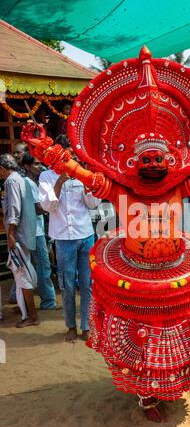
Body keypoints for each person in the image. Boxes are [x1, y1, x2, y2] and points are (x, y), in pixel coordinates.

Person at [21, 46, 190, 422]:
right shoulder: (121, 190)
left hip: (174, 267)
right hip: (132, 270)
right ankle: (146, 395)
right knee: (140, 336)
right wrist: (48, 152)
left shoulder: (180, 186)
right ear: (133, 162)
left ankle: (169, 383)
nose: (153, 165)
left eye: (159, 160)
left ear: (170, 161)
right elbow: (80, 172)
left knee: (176, 333)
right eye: (145, 160)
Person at [38, 137, 100, 342]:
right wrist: (60, 181)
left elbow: (93, 205)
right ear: (56, 155)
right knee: (66, 285)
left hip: (86, 235)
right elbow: (47, 207)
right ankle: (71, 325)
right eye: (65, 155)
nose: (69, 159)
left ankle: (86, 325)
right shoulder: (46, 176)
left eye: (72, 156)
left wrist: (85, 183)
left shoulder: (84, 175)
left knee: (87, 283)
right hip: (63, 238)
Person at [0, 154, 39, 327]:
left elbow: (14, 210)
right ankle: (27, 311)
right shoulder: (22, 179)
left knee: (22, 275)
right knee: (22, 274)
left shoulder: (10, 182)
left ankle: (32, 316)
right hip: (26, 233)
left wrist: (10, 234)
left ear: (2, 168)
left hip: (18, 235)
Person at [22, 153, 57, 309]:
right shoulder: (29, 183)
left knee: (31, 264)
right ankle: (48, 300)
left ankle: (17, 297)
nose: (39, 167)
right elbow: (38, 207)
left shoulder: (30, 182)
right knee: (43, 265)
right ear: (27, 167)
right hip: (36, 230)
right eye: (35, 164)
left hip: (34, 229)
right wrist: (50, 206)